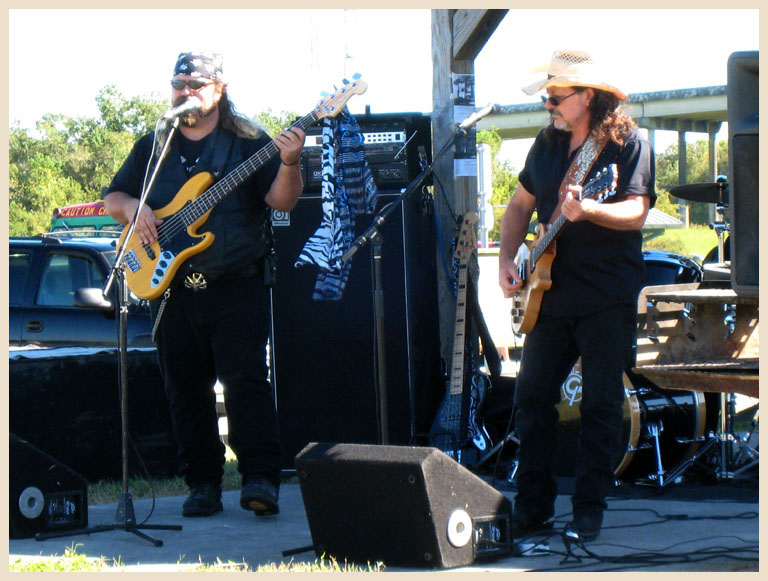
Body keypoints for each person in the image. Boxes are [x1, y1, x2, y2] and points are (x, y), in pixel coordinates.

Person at [104, 51, 305, 517]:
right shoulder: (154, 145)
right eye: (179, 83)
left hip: (236, 283)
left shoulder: (249, 142)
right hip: (172, 288)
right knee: (185, 389)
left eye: (195, 84)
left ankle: (259, 478)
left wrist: (290, 162)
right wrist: (135, 208)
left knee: (246, 384)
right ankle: (202, 484)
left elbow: (282, 202)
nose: (185, 91)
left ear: (220, 89)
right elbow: (113, 197)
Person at [498, 49, 655, 542]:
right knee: (531, 397)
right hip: (550, 295)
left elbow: (636, 210)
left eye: (556, 97)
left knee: (601, 404)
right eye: (547, 97)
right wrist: (508, 259)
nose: (549, 105)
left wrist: (589, 211)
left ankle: (589, 507)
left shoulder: (628, 145)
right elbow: (519, 206)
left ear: (588, 96)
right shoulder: (546, 146)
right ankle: (533, 506)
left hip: (606, 293)